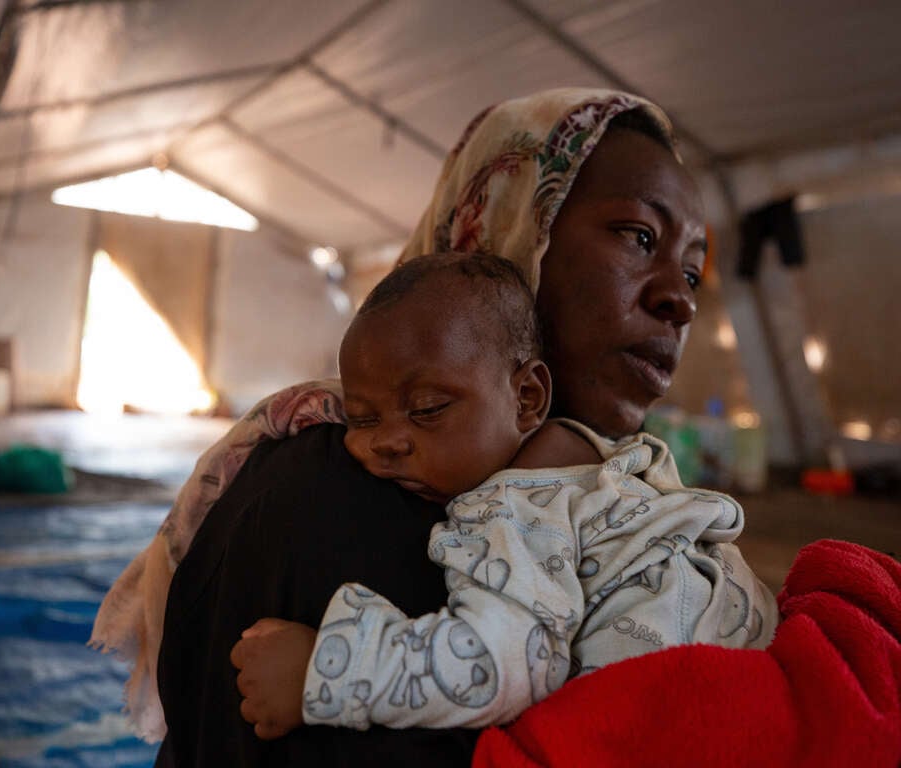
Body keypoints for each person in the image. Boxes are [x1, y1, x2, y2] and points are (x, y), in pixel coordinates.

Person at [90, 87, 899, 768]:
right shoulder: (343, 491)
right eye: (637, 237)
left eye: (692, 268)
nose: (680, 299)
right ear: (516, 226)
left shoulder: (608, 489)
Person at [230, 251, 775, 738]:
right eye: (363, 418)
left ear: (527, 398)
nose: (387, 441)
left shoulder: (513, 508)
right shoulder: (609, 461)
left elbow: (505, 663)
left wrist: (325, 667)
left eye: (428, 409)